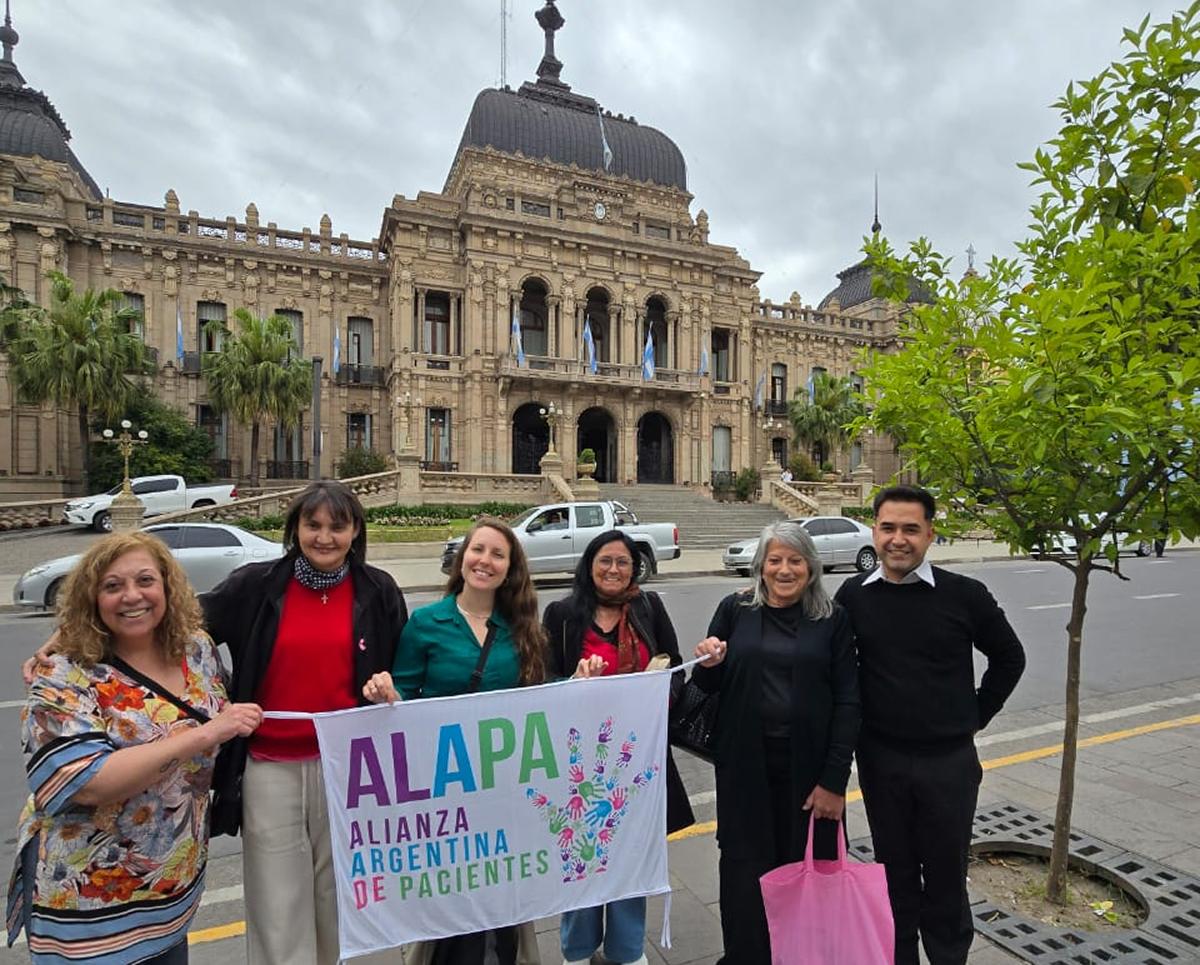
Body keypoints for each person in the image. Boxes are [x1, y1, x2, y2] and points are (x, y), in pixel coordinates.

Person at [7, 531, 263, 964]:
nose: (132, 596)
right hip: (87, 907)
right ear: (91, 598)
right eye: (112, 586)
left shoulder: (195, 649)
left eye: (145, 580)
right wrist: (202, 736)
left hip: (170, 899)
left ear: (167, 586)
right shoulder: (63, 673)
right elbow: (87, 782)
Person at [201, 480, 408, 965]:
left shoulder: (378, 591)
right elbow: (184, 624)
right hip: (270, 765)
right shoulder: (256, 585)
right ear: (295, 528)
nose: (324, 537)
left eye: (338, 526)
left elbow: (405, 667)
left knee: (347, 896)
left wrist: (388, 688)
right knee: (278, 900)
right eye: (312, 525)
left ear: (355, 531)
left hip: (351, 770)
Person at [835, 485, 1026, 965]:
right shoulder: (853, 596)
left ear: (930, 535)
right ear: (874, 531)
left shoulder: (965, 596)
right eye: (888, 528)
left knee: (944, 877)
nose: (898, 539)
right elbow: (828, 663)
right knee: (893, 873)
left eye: (910, 529)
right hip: (882, 762)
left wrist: (975, 715)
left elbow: (1009, 658)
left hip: (949, 764)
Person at [363, 517, 546, 965]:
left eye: (497, 554)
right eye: (477, 550)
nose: (485, 561)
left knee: (501, 897)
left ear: (510, 568)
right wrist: (387, 694)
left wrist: (577, 683)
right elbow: (405, 693)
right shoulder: (427, 622)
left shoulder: (520, 627)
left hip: (503, 785)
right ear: (462, 557)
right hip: (446, 788)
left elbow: (538, 696)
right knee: (455, 897)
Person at [691, 520, 860, 965]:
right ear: (761, 566)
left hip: (809, 774)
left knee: (806, 868)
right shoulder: (736, 609)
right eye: (775, 560)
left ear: (811, 567)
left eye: (795, 560)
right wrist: (709, 662)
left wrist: (834, 781)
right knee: (744, 871)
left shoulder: (832, 619)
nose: (784, 570)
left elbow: (848, 701)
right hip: (745, 768)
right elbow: (704, 686)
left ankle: (802, 955)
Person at [541, 530, 695, 965]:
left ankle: (627, 950)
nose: (613, 569)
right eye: (605, 560)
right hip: (579, 763)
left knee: (631, 853)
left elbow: (676, 666)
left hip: (636, 759)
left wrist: (660, 695)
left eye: (622, 562)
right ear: (589, 566)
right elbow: (540, 680)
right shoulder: (562, 614)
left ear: (634, 567)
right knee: (579, 853)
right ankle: (578, 948)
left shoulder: (648, 607)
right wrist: (574, 682)